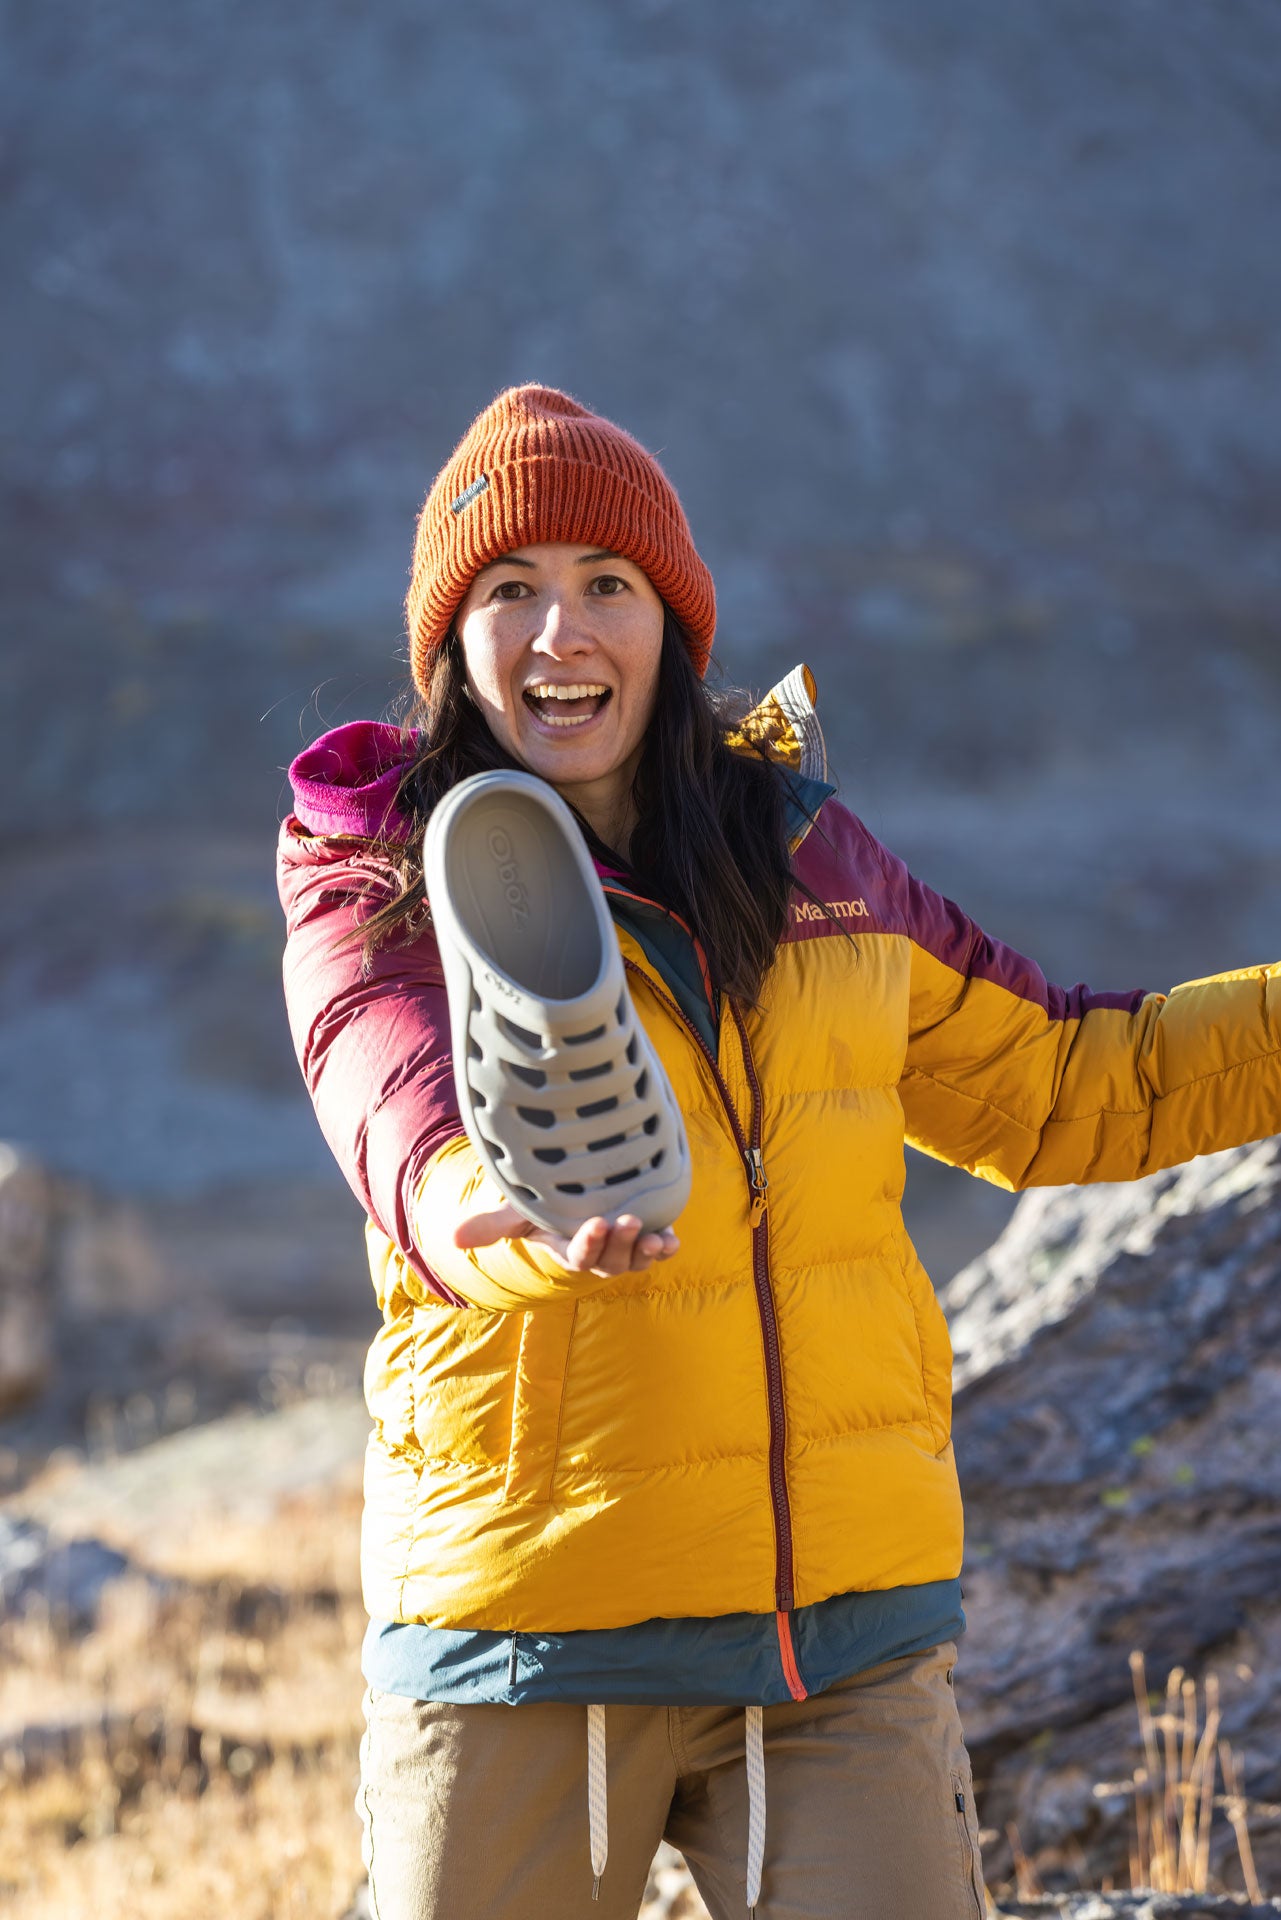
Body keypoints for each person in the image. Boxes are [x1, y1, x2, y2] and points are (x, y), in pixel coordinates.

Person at [276, 384, 1281, 1920]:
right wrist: (495, 1211)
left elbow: (1071, 1083)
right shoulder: (384, 867)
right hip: (534, 1626)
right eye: (509, 590)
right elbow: (394, 1096)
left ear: (672, 624)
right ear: (449, 643)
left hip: (839, 1645)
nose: (560, 633)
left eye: (606, 585)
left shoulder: (812, 861)